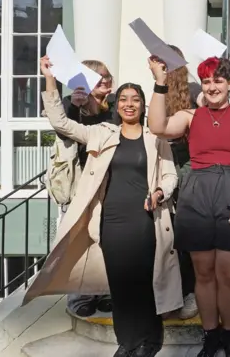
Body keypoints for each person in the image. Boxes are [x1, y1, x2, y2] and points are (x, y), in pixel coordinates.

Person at [32, 56, 182, 357]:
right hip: (110, 222)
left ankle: (149, 341)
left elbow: (170, 176)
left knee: (144, 282)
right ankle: (126, 342)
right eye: (124, 99)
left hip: (145, 221)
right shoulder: (101, 133)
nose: (129, 104)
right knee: (120, 286)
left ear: (142, 105)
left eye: (135, 99)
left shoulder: (156, 138)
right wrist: (49, 79)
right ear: (116, 106)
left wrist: (159, 192)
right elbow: (60, 122)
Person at [147, 56, 230, 357]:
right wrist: (160, 81)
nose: (212, 87)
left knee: (229, 273)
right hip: (197, 192)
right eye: (207, 81)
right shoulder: (190, 116)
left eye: (218, 80)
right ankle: (210, 335)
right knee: (204, 272)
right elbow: (157, 126)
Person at [52, 59, 117, 318]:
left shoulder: (115, 105)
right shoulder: (70, 104)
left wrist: (91, 106)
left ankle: (105, 292)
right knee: (77, 240)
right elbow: (63, 131)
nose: (105, 81)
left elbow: (109, 129)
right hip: (79, 182)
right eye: (98, 77)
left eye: (107, 76)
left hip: (109, 181)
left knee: (107, 240)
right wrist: (75, 107)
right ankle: (80, 296)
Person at [164, 44, 203, 320]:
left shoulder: (195, 91)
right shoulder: (156, 91)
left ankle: (189, 292)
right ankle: (170, 293)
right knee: (165, 237)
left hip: (189, 165)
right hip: (163, 162)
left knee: (186, 234)